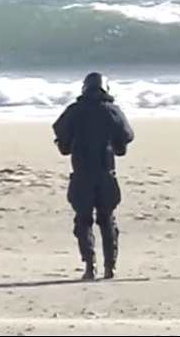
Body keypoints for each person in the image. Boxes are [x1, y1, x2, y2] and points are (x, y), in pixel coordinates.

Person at [52, 72, 134, 281]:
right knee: (107, 220)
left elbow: (62, 143)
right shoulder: (112, 111)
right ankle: (110, 266)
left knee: (83, 221)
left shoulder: (74, 112)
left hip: (81, 175)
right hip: (106, 175)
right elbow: (125, 139)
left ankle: (90, 265)